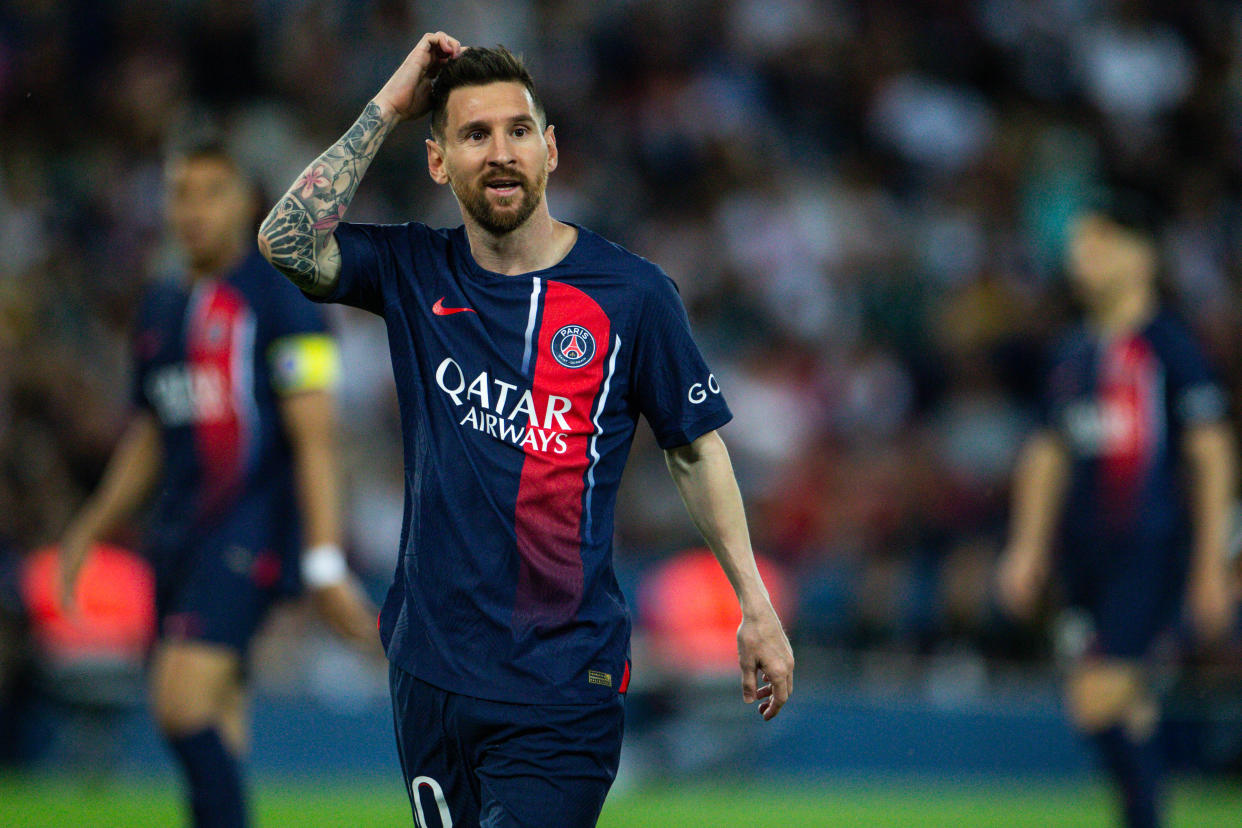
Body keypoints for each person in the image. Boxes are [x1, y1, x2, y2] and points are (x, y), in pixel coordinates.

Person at [258, 32, 794, 827]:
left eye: (516, 131)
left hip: (561, 683)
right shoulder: (414, 271)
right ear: (439, 161)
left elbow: (695, 448)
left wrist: (755, 603)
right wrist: (388, 107)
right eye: (473, 135)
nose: (499, 152)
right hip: (429, 671)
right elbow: (284, 242)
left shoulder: (632, 294)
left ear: (550, 150)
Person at [59, 143, 378, 828]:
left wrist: (323, 560)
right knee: (217, 720)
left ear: (245, 203)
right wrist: (90, 525)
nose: (192, 210)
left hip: (249, 529)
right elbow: (151, 430)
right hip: (175, 536)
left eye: (211, 192)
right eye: (180, 194)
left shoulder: (283, 297)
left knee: (180, 704)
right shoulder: (161, 304)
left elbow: (316, 436)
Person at [997, 189, 1236, 828]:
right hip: (1085, 557)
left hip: (1149, 549)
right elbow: (1045, 455)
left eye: (1100, 242)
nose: (1083, 258)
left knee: (1097, 698)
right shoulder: (1073, 354)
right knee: (1124, 710)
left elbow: (1211, 454)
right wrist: (1027, 547)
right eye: (1080, 245)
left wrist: (1213, 563)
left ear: (1142, 256)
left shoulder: (1168, 348)